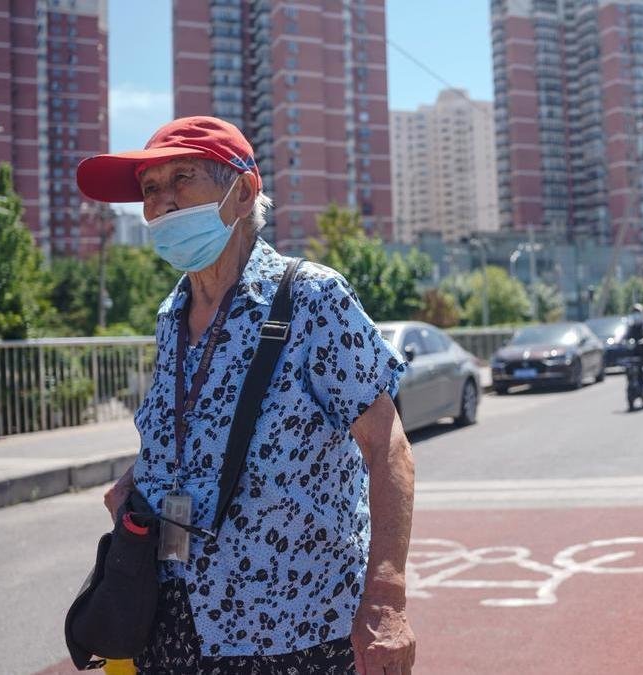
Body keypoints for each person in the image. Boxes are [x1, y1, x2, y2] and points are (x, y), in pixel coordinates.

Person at [77, 116, 415, 674]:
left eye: (181, 179)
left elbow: (390, 449)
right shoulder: (171, 314)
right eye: (150, 189)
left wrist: (386, 599)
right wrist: (140, 479)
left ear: (244, 192)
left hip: (290, 628)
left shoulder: (312, 300)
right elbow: (191, 430)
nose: (161, 204)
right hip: (171, 621)